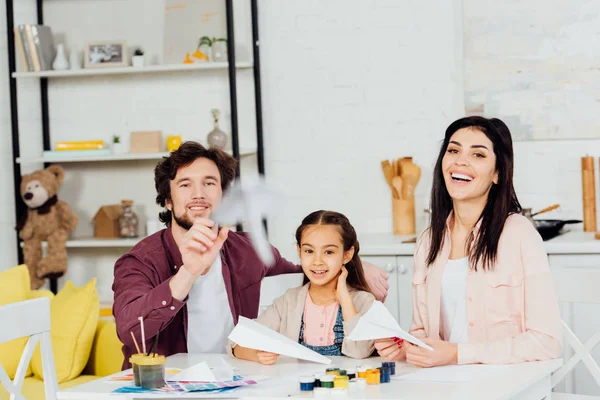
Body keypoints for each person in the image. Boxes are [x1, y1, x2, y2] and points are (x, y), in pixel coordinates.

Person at [112, 142, 389, 369]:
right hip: (164, 386)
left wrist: (356, 264)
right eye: (185, 185)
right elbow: (129, 330)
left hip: (236, 379)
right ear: (168, 199)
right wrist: (189, 272)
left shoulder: (248, 249)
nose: (199, 194)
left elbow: (307, 267)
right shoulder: (140, 261)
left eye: (209, 183)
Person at [375, 116, 562, 366]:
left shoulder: (519, 234)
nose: (460, 161)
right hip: (445, 383)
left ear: (497, 173)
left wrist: (457, 354)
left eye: (478, 155)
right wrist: (406, 346)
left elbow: (547, 342)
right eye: (453, 150)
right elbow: (423, 332)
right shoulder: (428, 241)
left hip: (505, 385)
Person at [230, 210, 375, 364]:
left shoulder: (364, 301)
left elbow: (360, 350)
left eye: (329, 252)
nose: (317, 261)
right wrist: (256, 355)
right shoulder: (288, 302)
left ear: (347, 254)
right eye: (309, 251)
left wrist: (344, 298)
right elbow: (236, 343)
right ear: (299, 251)